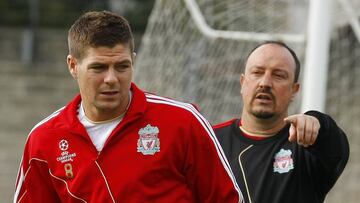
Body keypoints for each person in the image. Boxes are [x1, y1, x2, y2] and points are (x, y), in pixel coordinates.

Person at [14, 11, 243, 203]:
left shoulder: (184, 122)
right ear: (73, 65)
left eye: (122, 66)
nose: (112, 78)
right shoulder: (44, 140)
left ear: (133, 60)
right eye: (99, 67)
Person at [214, 41, 349, 203]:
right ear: (242, 83)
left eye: (278, 75)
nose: (265, 83)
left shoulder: (305, 147)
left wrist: (317, 121)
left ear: (294, 90)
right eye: (257, 72)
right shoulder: (210, 141)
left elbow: (335, 147)